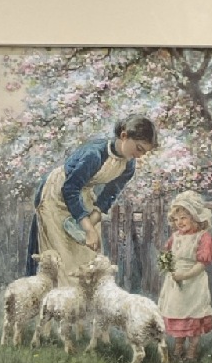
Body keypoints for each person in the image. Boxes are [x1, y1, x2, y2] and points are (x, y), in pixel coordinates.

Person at [26, 115, 158, 286]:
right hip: (58, 195)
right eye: (139, 148)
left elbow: (109, 195)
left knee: (86, 259)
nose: (139, 155)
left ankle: (81, 301)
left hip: (83, 196)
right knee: (61, 259)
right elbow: (70, 189)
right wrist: (88, 229)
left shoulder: (129, 166)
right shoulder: (94, 154)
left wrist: (91, 222)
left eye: (144, 152)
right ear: (124, 136)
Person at [157, 190, 212, 362]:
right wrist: (167, 264)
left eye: (183, 218)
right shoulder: (175, 237)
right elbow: (166, 253)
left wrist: (185, 275)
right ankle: (178, 347)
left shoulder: (203, 237)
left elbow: (201, 264)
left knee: (193, 315)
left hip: (193, 282)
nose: (179, 222)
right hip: (176, 282)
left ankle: (192, 351)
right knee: (178, 313)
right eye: (176, 219)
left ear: (194, 217)